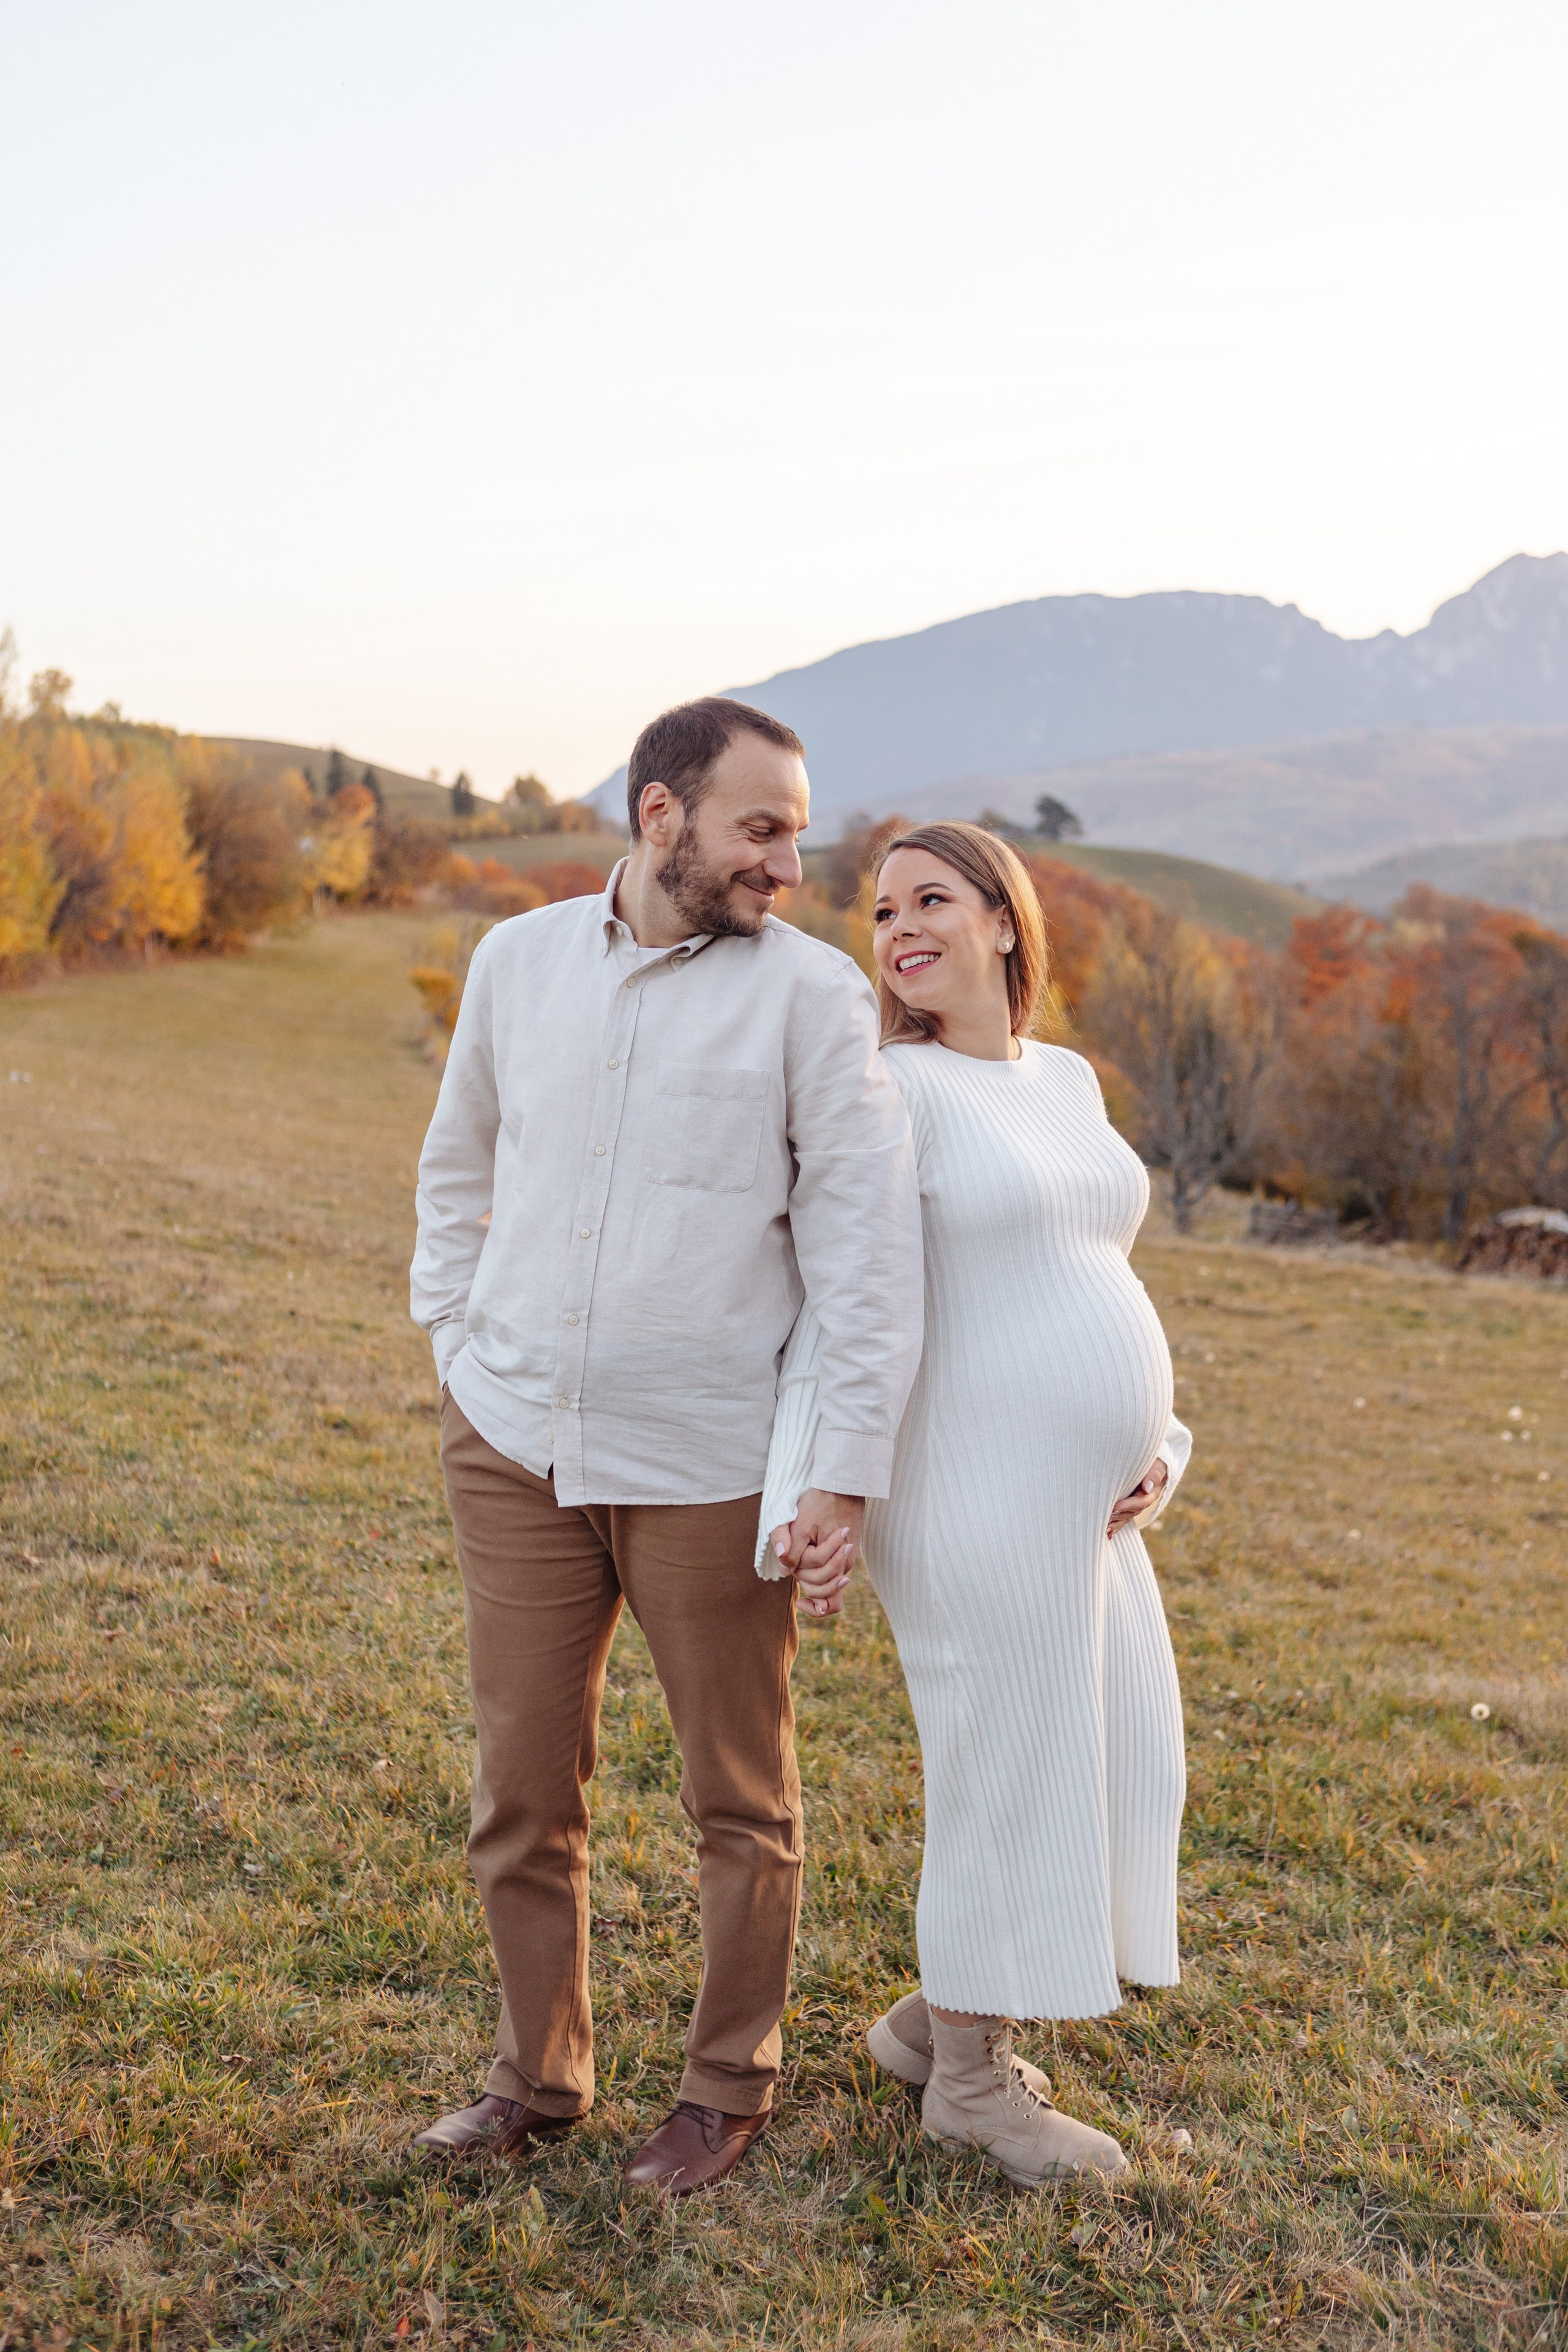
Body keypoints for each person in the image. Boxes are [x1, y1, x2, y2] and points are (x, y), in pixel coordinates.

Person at [408, 698, 922, 2195]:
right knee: (521, 1785)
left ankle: (723, 2085)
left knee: (735, 1800)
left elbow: (862, 1255)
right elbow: (458, 1161)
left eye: (796, 834)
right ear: (658, 819)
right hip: (513, 1441)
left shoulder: (811, 1001)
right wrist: (456, 1333)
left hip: (709, 1463)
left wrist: (835, 1470)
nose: (787, 864)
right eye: (760, 829)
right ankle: (533, 2078)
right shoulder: (514, 963)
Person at [764, 820, 1192, 2188]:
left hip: (1084, 1504)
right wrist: (818, 1489)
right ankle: (967, 2084)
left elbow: (1090, 1265)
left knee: (1113, 1746)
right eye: (880, 907)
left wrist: (1157, 1441)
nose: (897, 925)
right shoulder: (887, 1092)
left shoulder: (1060, 1079)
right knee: (1002, 1766)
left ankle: (922, 2022)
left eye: (930, 897)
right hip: (963, 1484)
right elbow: (836, 1306)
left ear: (1004, 921)